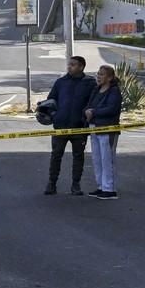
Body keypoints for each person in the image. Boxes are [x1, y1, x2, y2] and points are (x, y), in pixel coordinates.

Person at [44, 55, 96, 195]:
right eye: (69, 64)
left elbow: (93, 102)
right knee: (56, 155)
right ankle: (52, 184)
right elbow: (51, 100)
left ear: (81, 67)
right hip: (60, 126)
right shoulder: (61, 82)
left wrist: (85, 118)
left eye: (73, 65)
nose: (69, 67)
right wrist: (54, 115)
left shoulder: (90, 83)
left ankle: (76, 185)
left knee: (78, 156)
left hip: (79, 127)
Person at [86, 64, 123, 200]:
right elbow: (89, 105)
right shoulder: (96, 90)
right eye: (98, 74)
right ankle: (101, 186)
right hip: (94, 127)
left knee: (107, 159)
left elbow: (111, 109)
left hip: (107, 129)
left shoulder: (114, 91)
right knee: (97, 158)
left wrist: (94, 112)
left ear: (110, 77)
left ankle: (110, 189)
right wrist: (87, 111)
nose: (99, 76)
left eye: (102, 74)